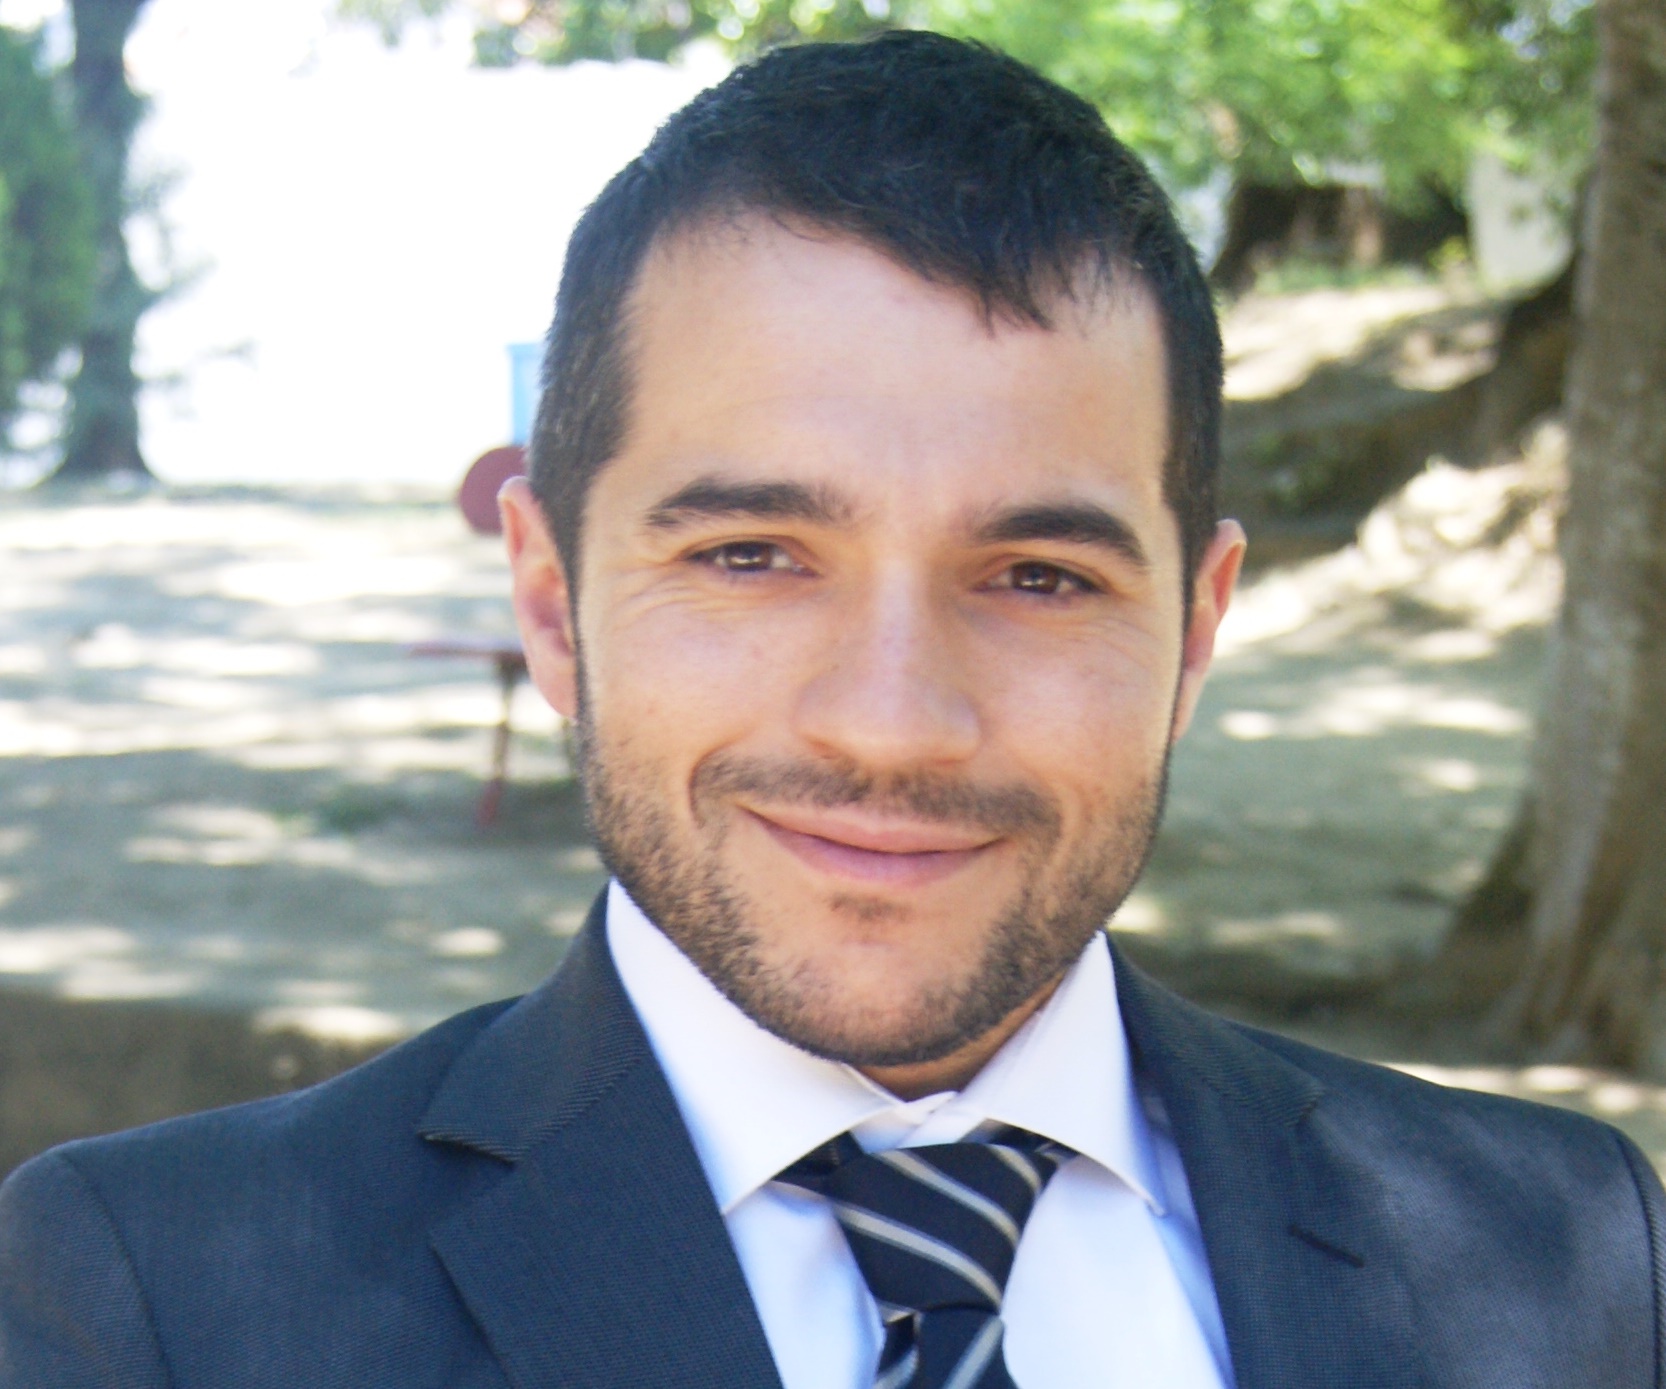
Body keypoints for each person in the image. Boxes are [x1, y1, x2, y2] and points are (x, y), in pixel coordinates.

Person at [1, 31, 1660, 1389]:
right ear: (552, 603)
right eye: (750, 555)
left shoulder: (1566, 1248)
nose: (889, 723)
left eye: (1038, 575)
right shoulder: (158, 1302)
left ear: (1192, 630)